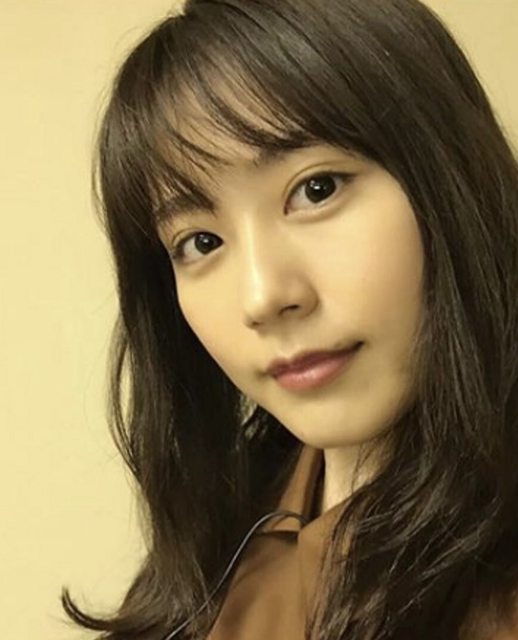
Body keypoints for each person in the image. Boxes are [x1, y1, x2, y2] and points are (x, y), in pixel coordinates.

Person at [61, 0, 518, 638]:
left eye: (316, 189)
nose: (262, 296)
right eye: (200, 242)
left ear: (449, 176)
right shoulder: (220, 546)